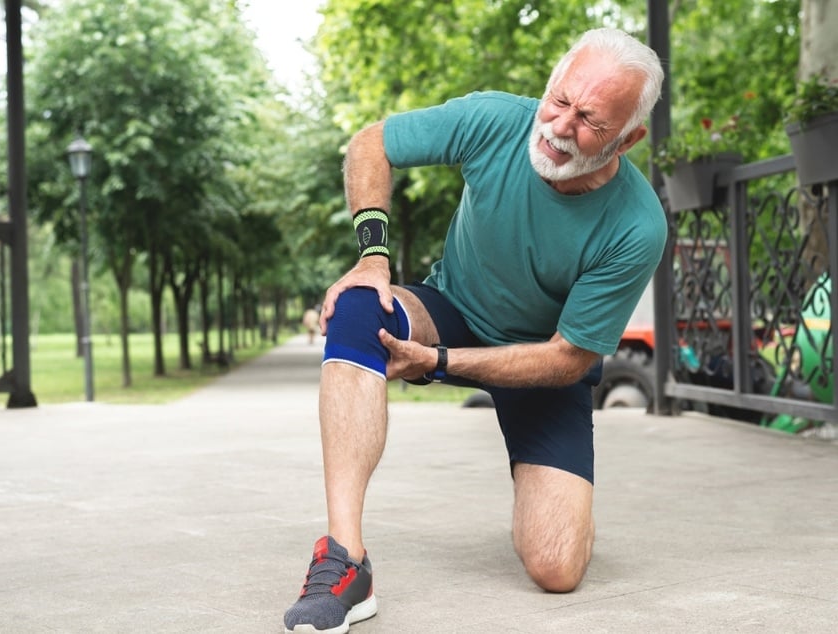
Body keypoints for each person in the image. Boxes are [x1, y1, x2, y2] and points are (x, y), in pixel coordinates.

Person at [283, 27, 667, 634]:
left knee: (556, 568)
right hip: (452, 307)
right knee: (359, 306)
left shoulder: (637, 226)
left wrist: (440, 362)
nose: (561, 127)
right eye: (560, 100)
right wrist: (373, 256)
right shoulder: (495, 119)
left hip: (542, 358)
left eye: (590, 120)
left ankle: (575, 506)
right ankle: (345, 559)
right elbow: (369, 143)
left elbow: (568, 359)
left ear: (629, 138)